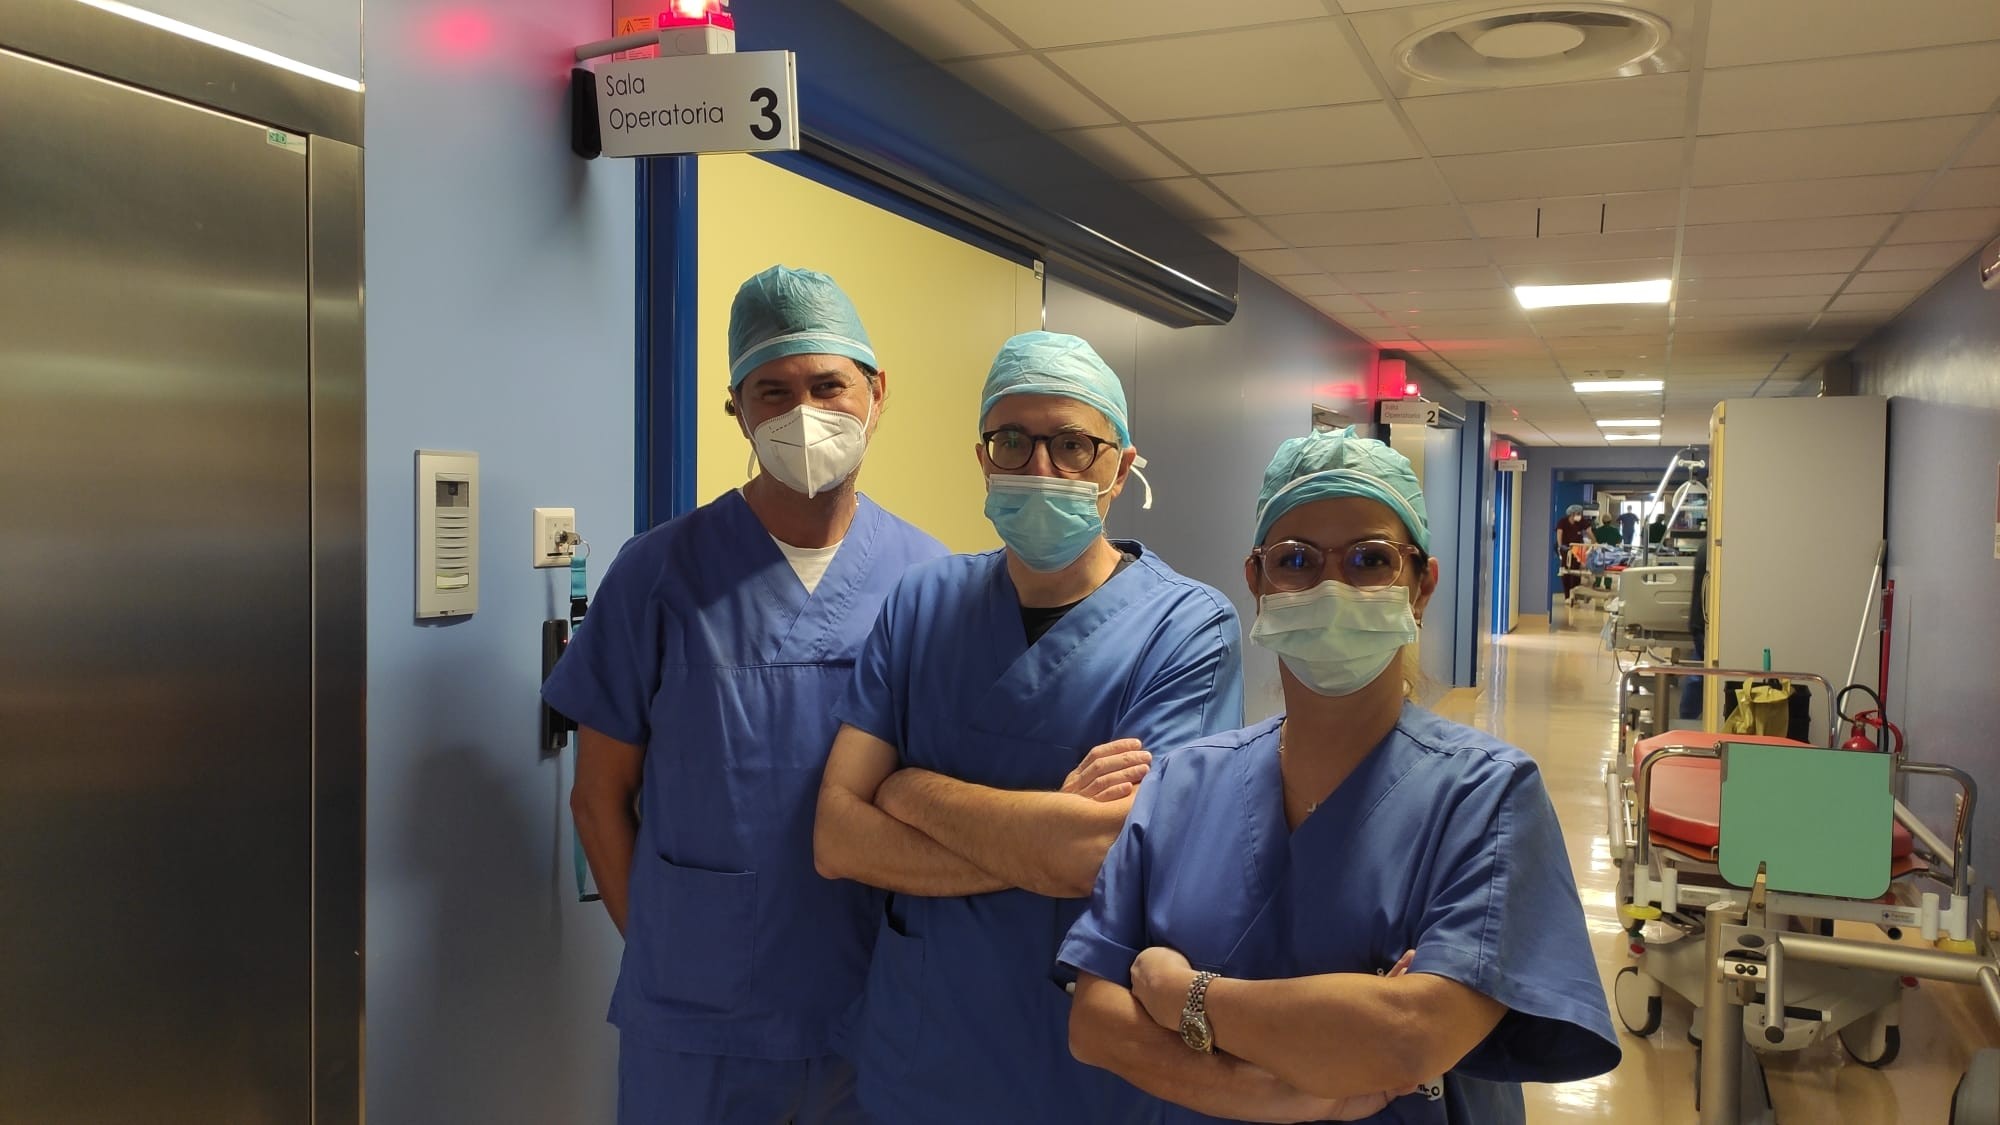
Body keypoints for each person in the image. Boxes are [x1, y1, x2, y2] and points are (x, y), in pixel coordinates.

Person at [1061, 427, 1620, 1124]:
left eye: (1369, 559)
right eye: (1295, 559)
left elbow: (1408, 1037)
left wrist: (1185, 997)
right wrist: (1271, 1091)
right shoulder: (1181, 782)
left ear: (1421, 587)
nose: (1331, 586)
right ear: (1257, 582)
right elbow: (1095, 1023)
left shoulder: (1487, 796)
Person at [543, 265, 950, 1125]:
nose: (805, 412)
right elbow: (597, 797)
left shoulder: (930, 580)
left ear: (876, 393)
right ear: (737, 409)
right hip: (696, 1027)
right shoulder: (657, 574)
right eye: (774, 390)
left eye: (828, 385)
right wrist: (672, 951)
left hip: (876, 1008)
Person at [813, 331, 1245, 1125]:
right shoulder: (921, 603)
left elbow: (1101, 853)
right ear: (983, 458)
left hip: (1077, 1066)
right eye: (1012, 440)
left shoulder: (1186, 627)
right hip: (921, 1053)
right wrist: (1040, 837)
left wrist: (910, 791)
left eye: (1073, 444)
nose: (1040, 466)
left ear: (1120, 467)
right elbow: (838, 836)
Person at [1555, 503, 1591, 601]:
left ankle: (1574, 595)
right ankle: (1567, 596)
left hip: (1578, 549)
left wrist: (1595, 543)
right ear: (1572, 514)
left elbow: (1589, 531)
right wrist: (1560, 546)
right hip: (1566, 549)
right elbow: (1559, 533)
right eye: (1578, 513)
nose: (1580, 515)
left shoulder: (1581, 522)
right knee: (1566, 572)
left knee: (1576, 573)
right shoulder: (1563, 522)